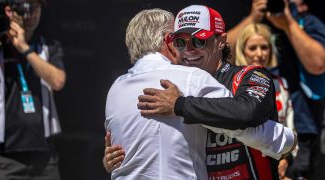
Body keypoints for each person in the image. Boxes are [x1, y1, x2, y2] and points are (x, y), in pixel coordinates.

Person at [105, 6, 296, 179]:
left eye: (199, 41)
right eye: (180, 42)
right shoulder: (177, 83)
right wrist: (121, 155)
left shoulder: (248, 75)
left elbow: (247, 112)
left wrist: (180, 105)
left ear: (221, 41)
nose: (188, 50)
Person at [0, 0, 66, 179]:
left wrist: (24, 48)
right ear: (9, 11)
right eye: (24, 7)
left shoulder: (47, 45)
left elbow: (58, 81)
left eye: (36, 7)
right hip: (3, 159)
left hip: (45, 157)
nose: (30, 14)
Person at [265, 0, 325, 179]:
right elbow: (221, 53)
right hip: (264, 127)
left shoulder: (307, 22)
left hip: (301, 123)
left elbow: (318, 64)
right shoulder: (259, 22)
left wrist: (288, 24)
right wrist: (254, 17)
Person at [235, 22, 295, 179]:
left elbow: (290, 127)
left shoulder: (281, 84)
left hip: (276, 162)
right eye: (252, 48)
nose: (259, 54)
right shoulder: (231, 82)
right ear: (242, 50)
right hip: (241, 163)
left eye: (264, 47)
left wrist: (286, 157)